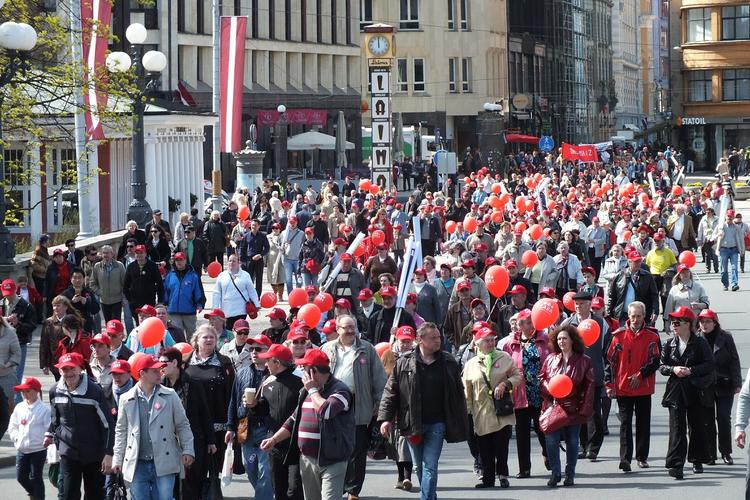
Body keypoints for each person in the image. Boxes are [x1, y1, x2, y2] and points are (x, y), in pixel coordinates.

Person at [378, 323, 468, 500]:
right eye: (433, 338)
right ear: (420, 340)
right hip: (413, 423)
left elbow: (458, 393)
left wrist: (460, 418)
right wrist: (385, 419)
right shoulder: (404, 362)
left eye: (439, 337)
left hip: (438, 424)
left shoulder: (448, 361)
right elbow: (391, 392)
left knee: (430, 466)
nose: (438, 341)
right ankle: (430, 496)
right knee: (419, 467)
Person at [260, 349, 355, 500]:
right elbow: (294, 419)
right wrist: (274, 440)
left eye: (304, 369)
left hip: (332, 458)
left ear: (314, 371)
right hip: (307, 458)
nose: (302, 373)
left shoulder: (340, 390)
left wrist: (312, 390)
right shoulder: (306, 392)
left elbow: (327, 411)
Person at [322, 315, 387, 500]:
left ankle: (353, 490)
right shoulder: (327, 348)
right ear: (337, 329)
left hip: (358, 404)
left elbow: (379, 379)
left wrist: (379, 405)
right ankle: (336, 486)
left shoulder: (367, 349)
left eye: (353, 327)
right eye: (346, 327)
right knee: (335, 447)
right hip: (332, 403)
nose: (351, 331)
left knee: (357, 449)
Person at [112, 355, 195, 500]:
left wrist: (188, 449)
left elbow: (183, 425)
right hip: (137, 462)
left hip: (164, 459)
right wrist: (117, 459)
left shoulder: (170, 395)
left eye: (160, 369)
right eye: (155, 370)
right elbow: (121, 431)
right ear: (142, 373)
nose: (160, 373)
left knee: (165, 498)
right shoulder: (126, 398)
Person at [44, 352, 114, 500]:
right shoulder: (54, 391)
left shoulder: (94, 391)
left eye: (72, 368)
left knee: (95, 496)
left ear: (80, 368)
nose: (68, 373)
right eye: (64, 369)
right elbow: (55, 420)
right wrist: (54, 439)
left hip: (94, 455)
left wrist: (109, 454)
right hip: (69, 454)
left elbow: (108, 425)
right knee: (68, 495)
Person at [462, 326, 522, 489]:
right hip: (481, 412)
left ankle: (502, 475)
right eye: (486, 341)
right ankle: (488, 478)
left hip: (501, 410)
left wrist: (505, 384)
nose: (490, 343)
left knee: (501, 445)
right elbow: (467, 391)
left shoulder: (504, 357)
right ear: (478, 344)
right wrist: (466, 412)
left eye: (492, 340)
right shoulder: (471, 364)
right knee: (484, 447)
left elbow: (517, 376)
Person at [605, 301, 661, 472]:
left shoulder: (653, 336)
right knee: (625, 424)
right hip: (623, 387)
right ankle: (625, 459)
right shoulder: (618, 336)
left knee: (643, 423)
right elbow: (609, 362)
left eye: (638, 316)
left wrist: (641, 374)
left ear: (644, 316)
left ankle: (642, 457)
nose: (635, 319)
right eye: (632, 316)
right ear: (628, 316)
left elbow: (656, 361)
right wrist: (609, 384)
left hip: (643, 386)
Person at [659, 306, 714, 479]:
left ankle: (697, 459)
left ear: (688, 324)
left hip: (695, 389)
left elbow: (709, 364)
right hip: (675, 391)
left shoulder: (700, 343)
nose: (673, 326)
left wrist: (691, 370)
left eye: (677, 322)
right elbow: (661, 366)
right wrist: (673, 369)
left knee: (696, 426)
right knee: (677, 428)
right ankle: (676, 464)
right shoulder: (669, 343)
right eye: (672, 322)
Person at [539, 326, 594, 487]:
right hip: (553, 407)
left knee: (572, 442)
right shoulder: (550, 359)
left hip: (573, 407)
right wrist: (548, 387)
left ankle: (570, 474)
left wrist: (585, 408)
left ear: (572, 340)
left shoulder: (584, 360)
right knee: (551, 440)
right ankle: (555, 473)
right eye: (559, 339)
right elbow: (542, 378)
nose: (561, 341)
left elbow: (589, 386)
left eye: (564, 338)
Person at [159, 347, 216, 500]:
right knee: (171, 485)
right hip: (167, 442)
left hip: (193, 440)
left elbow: (205, 413)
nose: (160, 367)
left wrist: (211, 441)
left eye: (163, 363)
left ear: (175, 362)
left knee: (191, 484)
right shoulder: (159, 385)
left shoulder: (192, 384)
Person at [184, 325, 236, 487]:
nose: (209, 340)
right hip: (191, 423)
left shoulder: (224, 363)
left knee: (213, 467)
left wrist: (230, 424)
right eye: (205, 337)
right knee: (192, 468)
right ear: (196, 340)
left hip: (217, 422)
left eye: (212, 337)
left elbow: (231, 394)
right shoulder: (184, 362)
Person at [251, 344, 305, 500]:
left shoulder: (300, 380)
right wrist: (254, 406)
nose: (265, 364)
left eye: (268, 361)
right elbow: (263, 411)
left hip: (296, 444)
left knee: (294, 491)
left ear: (277, 362)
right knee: (279, 490)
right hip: (274, 442)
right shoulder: (268, 382)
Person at [503, 309, 551, 477]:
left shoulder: (545, 339)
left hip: (540, 392)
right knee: (522, 432)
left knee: (541, 428)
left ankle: (548, 454)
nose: (526, 325)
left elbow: (552, 360)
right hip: (519, 393)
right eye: (523, 322)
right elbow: (505, 366)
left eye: (530, 321)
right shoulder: (510, 343)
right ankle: (524, 468)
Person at [225, 334, 274, 500]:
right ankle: (265, 494)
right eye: (251, 348)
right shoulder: (242, 373)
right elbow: (233, 400)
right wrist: (230, 427)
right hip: (245, 428)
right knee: (250, 468)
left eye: (258, 349)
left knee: (265, 471)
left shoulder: (275, 374)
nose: (253, 352)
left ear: (269, 351)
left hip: (267, 429)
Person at [561, 291, 608, 461]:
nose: (578, 307)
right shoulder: (568, 323)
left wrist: (608, 375)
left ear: (590, 304)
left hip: (594, 373)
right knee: (578, 411)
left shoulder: (601, 323)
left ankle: (593, 447)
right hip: (574, 376)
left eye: (582, 304)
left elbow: (607, 350)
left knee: (594, 411)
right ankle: (582, 444)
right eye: (576, 304)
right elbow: (561, 346)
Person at [697, 308, 742, 465]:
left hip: (724, 384)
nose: (704, 324)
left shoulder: (726, 337)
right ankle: (710, 454)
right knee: (707, 420)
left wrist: (737, 383)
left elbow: (734, 360)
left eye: (708, 321)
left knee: (723, 417)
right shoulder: (696, 338)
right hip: (705, 386)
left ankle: (726, 452)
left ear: (715, 323)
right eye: (702, 321)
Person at [9, 376, 51, 500]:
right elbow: (13, 425)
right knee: (20, 477)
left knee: (35, 477)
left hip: (38, 449)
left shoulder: (44, 409)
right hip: (22, 449)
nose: (25, 394)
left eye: (28, 391)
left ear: (36, 391)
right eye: (23, 392)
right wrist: (16, 438)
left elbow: (49, 429)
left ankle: (39, 497)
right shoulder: (19, 407)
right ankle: (33, 493)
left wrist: (49, 448)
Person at [606, 251, 660, 325]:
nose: (638, 263)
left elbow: (654, 296)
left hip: (640, 316)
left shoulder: (647, 276)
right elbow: (612, 296)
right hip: (622, 315)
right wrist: (609, 316)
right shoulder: (619, 275)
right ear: (629, 262)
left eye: (639, 261)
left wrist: (655, 312)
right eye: (635, 261)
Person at [1, 279, 36, 386]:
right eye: (6, 295)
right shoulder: (1, 304)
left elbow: (31, 327)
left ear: (16, 290)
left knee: (15, 379)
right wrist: (3, 319)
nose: (9, 297)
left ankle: (16, 401)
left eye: (11, 294)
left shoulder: (26, 306)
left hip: (19, 344)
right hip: (2, 345)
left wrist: (17, 323)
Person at [213, 253, 260, 329]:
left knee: (239, 331)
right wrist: (215, 309)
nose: (231, 263)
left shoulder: (245, 275)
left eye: (234, 261)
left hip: (241, 311)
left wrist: (257, 304)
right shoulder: (222, 276)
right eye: (230, 261)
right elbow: (216, 293)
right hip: (226, 311)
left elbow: (251, 291)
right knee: (228, 334)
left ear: (239, 262)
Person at [163, 252, 205, 337]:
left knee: (192, 336)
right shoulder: (170, 275)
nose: (179, 262)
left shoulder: (193, 275)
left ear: (185, 260)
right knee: (177, 336)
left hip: (189, 311)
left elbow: (198, 290)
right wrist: (164, 304)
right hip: (174, 312)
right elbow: (166, 291)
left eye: (181, 260)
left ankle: (192, 350)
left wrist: (200, 303)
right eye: (177, 260)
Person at [123, 245, 164, 325]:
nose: (139, 255)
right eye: (137, 253)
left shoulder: (152, 266)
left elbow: (159, 284)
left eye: (141, 253)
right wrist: (130, 299)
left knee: (150, 323)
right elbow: (125, 285)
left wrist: (160, 301)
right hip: (135, 302)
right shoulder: (131, 267)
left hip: (149, 301)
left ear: (145, 254)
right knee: (139, 323)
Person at [90, 245, 126, 323]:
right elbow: (92, 283)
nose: (106, 255)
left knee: (116, 323)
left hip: (117, 300)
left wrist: (123, 297)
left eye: (108, 253)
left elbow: (125, 283)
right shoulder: (97, 266)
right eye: (104, 253)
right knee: (108, 323)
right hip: (104, 301)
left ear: (112, 254)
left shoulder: (119, 266)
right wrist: (100, 292)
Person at [61, 267, 101, 334]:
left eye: (80, 278)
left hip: (86, 326)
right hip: (70, 326)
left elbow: (96, 309)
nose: (77, 280)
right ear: (71, 279)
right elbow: (61, 310)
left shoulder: (88, 292)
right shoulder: (65, 293)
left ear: (83, 279)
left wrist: (87, 302)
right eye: (75, 277)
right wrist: (71, 302)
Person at [240, 219, 270, 299]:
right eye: (252, 225)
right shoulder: (246, 236)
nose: (253, 227)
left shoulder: (263, 236)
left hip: (259, 260)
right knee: (249, 280)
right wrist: (242, 261)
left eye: (255, 225)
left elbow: (267, 248)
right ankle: (249, 296)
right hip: (249, 260)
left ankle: (257, 297)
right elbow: (242, 248)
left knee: (259, 280)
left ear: (259, 226)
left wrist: (261, 255)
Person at [717, 209, 745, 291]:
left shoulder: (737, 227)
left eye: (731, 217)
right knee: (723, 269)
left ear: (733, 218)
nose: (729, 218)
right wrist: (718, 234)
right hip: (723, 249)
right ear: (725, 217)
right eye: (728, 216)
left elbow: (741, 239)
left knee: (734, 267)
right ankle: (725, 284)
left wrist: (742, 250)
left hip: (734, 249)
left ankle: (734, 284)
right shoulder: (721, 226)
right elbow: (715, 234)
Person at [44, 249, 75, 317]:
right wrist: (45, 295)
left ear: (63, 256)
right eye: (56, 257)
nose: (58, 258)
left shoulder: (71, 266)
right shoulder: (51, 268)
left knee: (69, 313)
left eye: (60, 256)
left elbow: (74, 280)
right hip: (54, 294)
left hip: (68, 293)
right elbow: (47, 282)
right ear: (54, 258)